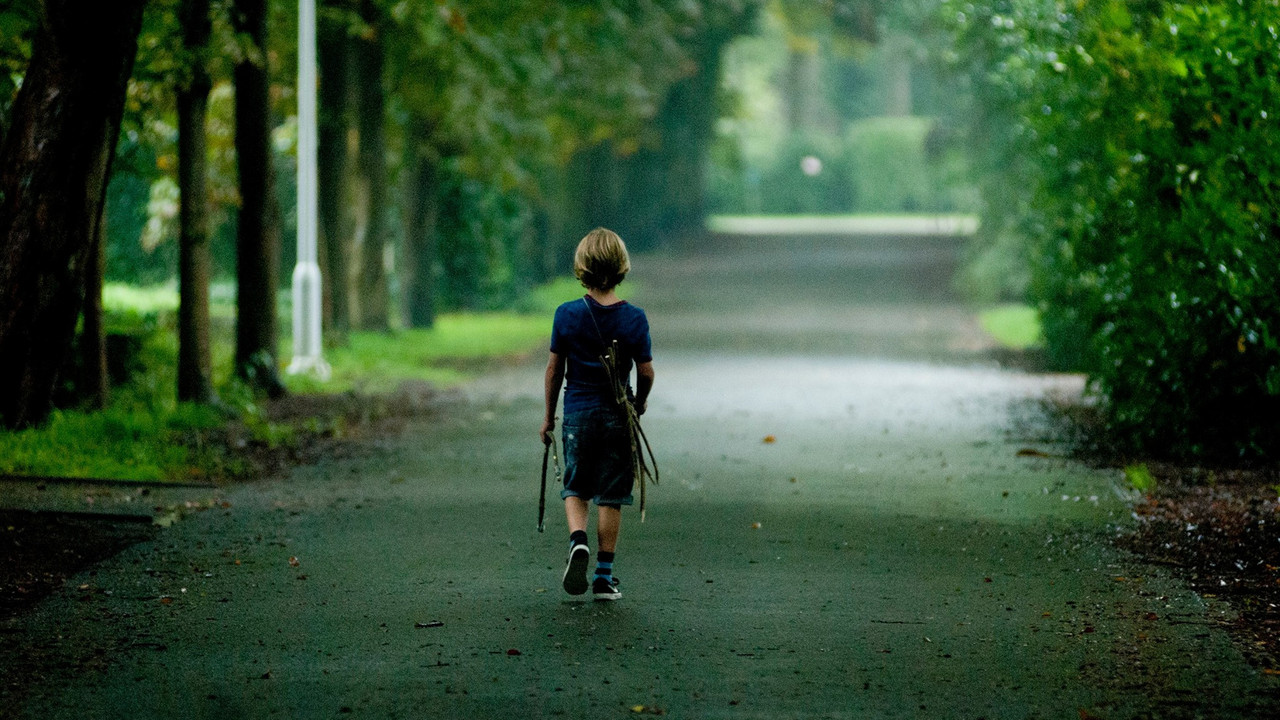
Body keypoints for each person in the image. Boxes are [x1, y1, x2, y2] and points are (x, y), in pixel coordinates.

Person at [540, 228, 654, 601]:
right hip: (616, 419)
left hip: (577, 415)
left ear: (582, 267)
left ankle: (578, 541)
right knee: (611, 495)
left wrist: (548, 418)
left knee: (575, 486)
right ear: (621, 266)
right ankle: (604, 578)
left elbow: (555, 371)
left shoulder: (567, 314)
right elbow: (647, 372)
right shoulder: (635, 318)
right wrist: (639, 403)